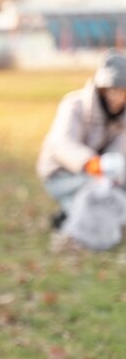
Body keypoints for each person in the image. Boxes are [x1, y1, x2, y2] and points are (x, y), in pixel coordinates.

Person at [37, 49, 126, 230]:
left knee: (113, 190)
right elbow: (62, 144)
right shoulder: (74, 105)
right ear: (102, 88)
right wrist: (91, 164)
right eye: (112, 90)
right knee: (96, 195)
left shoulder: (122, 117)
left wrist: (114, 170)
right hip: (61, 175)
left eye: (123, 91)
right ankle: (71, 218)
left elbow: (117, 152)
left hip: (99, 176)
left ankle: (77, 214)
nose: (117, 97)